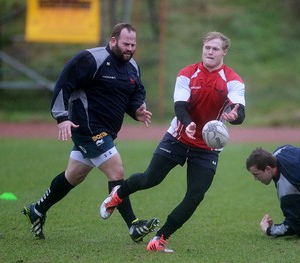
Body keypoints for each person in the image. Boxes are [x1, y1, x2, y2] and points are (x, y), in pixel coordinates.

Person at [99, 31, 246, 252]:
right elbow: (180, 105)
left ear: (224, 51)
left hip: (208, 146)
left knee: (195, 195)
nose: (210, 52)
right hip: (178, 136)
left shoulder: (233, 80)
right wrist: (187, 123)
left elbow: (239, 111)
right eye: (207, 47)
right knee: (151, 178)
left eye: (215, 49)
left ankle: (160, 238)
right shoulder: (187, 73)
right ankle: (117, 195)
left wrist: (235, 117)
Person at [21, 23, 159, 242]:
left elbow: (135, 91)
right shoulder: (90, 59)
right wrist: (62, 117)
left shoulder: (132, 65)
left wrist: (137, 110)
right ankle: (133, 226)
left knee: (73, 176)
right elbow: (64, 83)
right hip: (86, 127)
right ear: (113, 40)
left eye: (133, 44)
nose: (130, 48)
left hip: (107, 131)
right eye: (126, 44)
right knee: (117, 171)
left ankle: (37, 209)